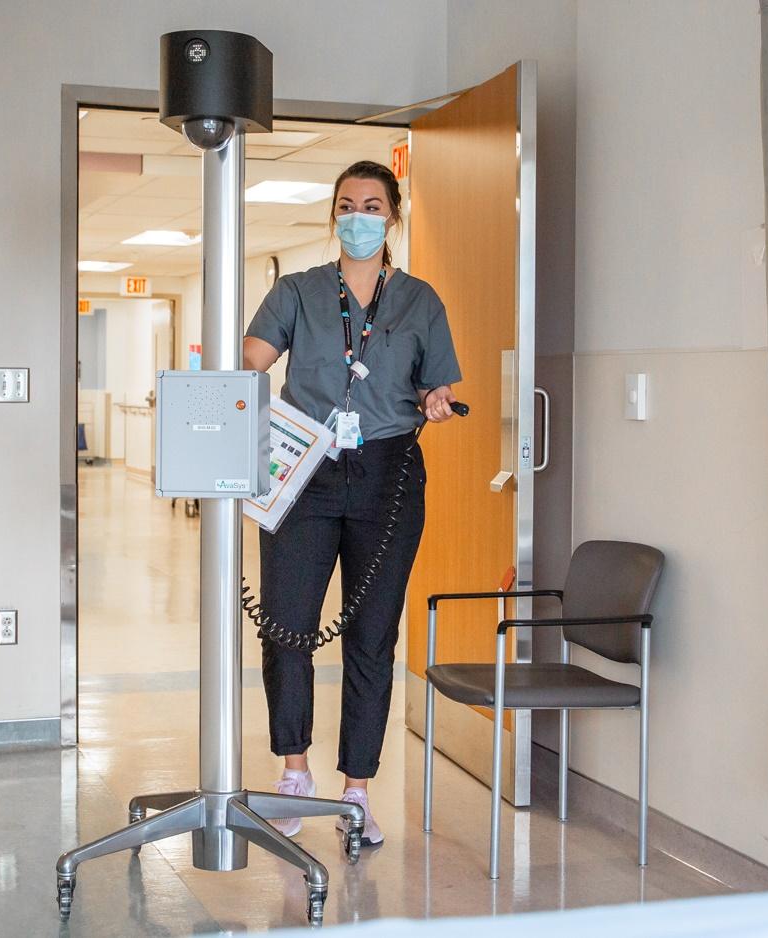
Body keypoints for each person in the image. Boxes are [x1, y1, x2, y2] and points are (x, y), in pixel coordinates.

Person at [241, 159, 461, 849]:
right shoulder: (298, 291)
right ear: (332, 216)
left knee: (372, 637)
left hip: (387, 473)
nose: (357, 216)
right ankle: (296, 770)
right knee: (287, 627)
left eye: (371, 205)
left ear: (391, 216)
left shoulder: (419, 301)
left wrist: (434, 400)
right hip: (301, 467)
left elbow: (438, 386)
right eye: (345, 205)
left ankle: (358, 790)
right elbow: (252, 358)